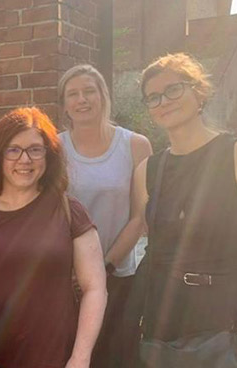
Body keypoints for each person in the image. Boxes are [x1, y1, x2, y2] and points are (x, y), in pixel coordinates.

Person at [128, 53, 237, 367]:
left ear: (197, 91)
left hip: (222, 321)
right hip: (160, 319)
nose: (164, 101)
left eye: (174, 89)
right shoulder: (148, 171)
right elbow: (156, 242)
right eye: (153, 97)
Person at [0, 107, 108, 368]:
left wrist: (80, 357)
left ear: (48, 155)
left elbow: (94, 288)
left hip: (51, 356)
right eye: (13, 150)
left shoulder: (70, 212)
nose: (24, 159)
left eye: (35, 149)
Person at [57, 64, 152, 367]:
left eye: (89, 91)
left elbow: (139, 217)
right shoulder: (54, 148)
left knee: (115, 358)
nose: (82, 99)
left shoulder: (135, 145)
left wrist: (104, 266)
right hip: (64, 279)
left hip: (117, 275)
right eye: (73, 94)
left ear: (103, 95)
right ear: (65, 105)